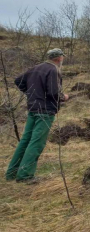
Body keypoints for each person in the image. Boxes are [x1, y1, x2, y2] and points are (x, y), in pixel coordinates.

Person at [6, 48, 69, 184]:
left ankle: (12, 172)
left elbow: (18, 81)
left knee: (25, 140)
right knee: (36, 142)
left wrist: (32, 94)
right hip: (45, 111)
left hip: (33, 109)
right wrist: (63, 97)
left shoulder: (35, 68)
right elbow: (53, 92)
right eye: (62, 57)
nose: (62, 60)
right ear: (59, 58)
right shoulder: (53, 70)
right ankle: (25, 176)